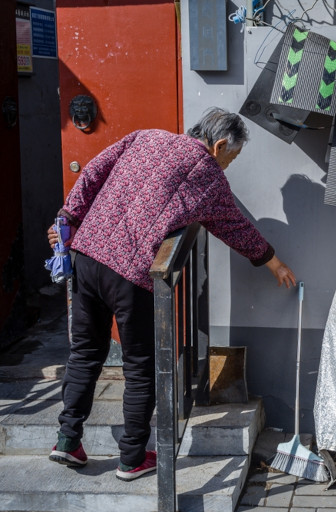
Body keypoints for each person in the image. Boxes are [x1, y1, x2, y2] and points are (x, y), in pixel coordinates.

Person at [46, 107, 296, 481]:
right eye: (232, 157)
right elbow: (235, 227)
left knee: (84, 353)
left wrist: (68, 217)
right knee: (141, 366)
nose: (228, 165)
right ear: (220, 145)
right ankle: (131, 458)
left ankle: (67, 440)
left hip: (86, 257)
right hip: (129, 274)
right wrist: (272, 261)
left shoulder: (146, 136)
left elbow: (94, 170)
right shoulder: (208, 176)